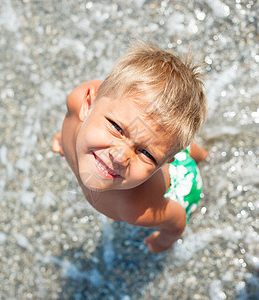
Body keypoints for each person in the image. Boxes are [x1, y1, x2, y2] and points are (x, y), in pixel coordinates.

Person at [52, 42, 207, 253]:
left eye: (144, 153)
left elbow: (177, 220)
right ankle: (177, 151)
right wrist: (65, 138)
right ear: (88, 105)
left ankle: (201, 156)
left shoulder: (135, 207)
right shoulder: (77, 100)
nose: (118, 156)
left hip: (182, 183)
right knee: (159, 140)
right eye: (116, 128)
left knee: (189, 161)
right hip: (161, 148)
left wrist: (163, 241)